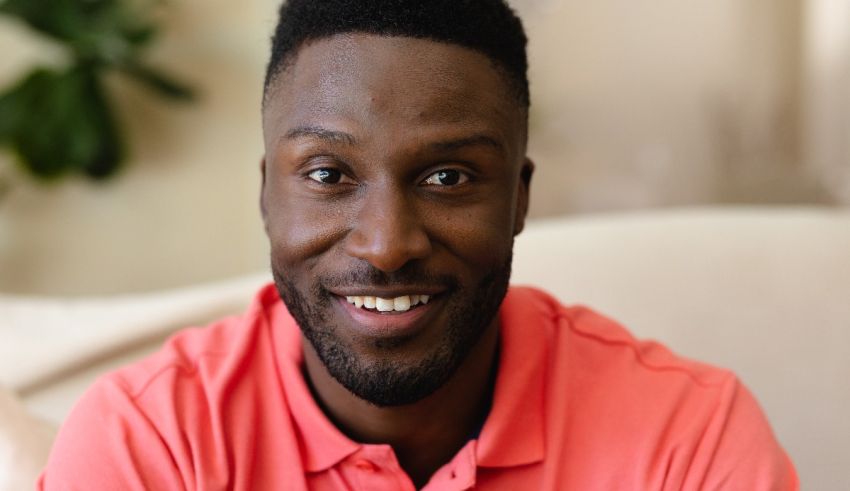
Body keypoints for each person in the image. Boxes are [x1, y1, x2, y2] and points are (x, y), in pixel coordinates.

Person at [39, 1, 798, 489]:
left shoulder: (685, 438)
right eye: (330, 173)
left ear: (519, 197)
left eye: (447, 175)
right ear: (268, 194)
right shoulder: (153, 443)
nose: (387, 245)